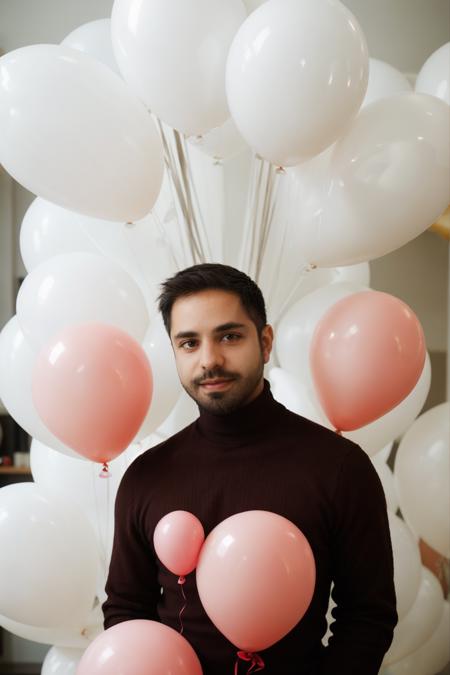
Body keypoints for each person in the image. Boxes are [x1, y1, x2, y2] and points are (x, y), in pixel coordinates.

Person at [103, 263, 397, 674]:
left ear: (265, 341)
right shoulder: (146, 475)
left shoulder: (340, 468)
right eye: (189, 343)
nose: (210, 360)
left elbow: (367, 617)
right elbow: (126, 612)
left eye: (229, 336)